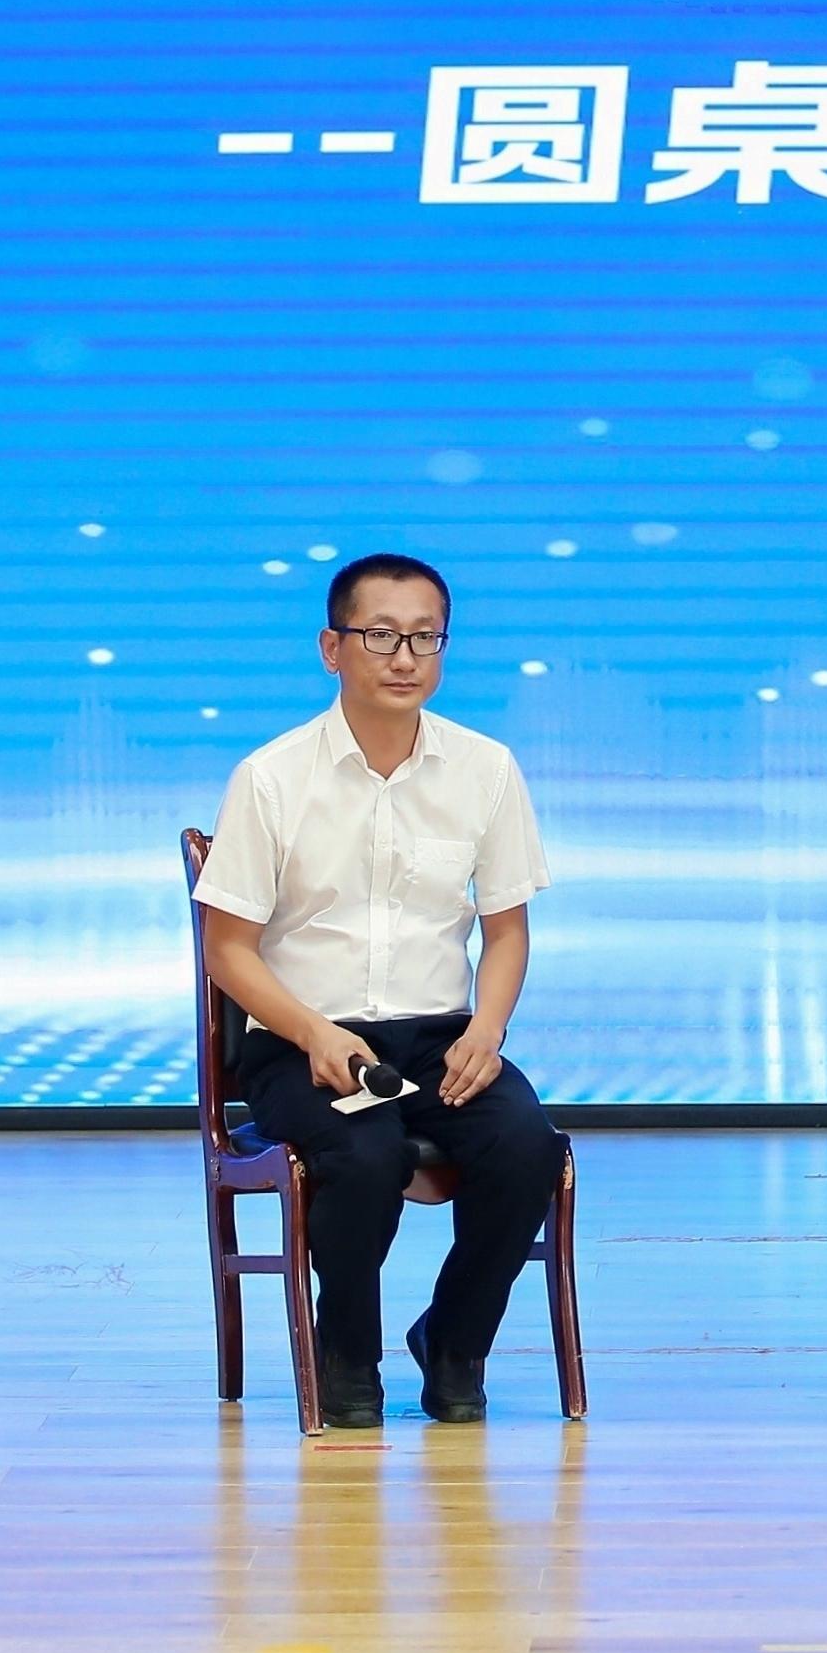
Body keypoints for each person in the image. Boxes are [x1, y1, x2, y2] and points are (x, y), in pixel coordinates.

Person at [194, 552, 563, 1430]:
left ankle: (454, 1343)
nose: (405, 658)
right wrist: (314, 1033)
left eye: (425, 638)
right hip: (304, 1042)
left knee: (526, 1147)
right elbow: (228, 950)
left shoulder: (485, 768)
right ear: (332, 648)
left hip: (440, 1040)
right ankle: (346, 1353)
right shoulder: (272, 777)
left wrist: (487, 1030)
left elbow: (507, 932)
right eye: (381, 636)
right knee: (364, 1155)